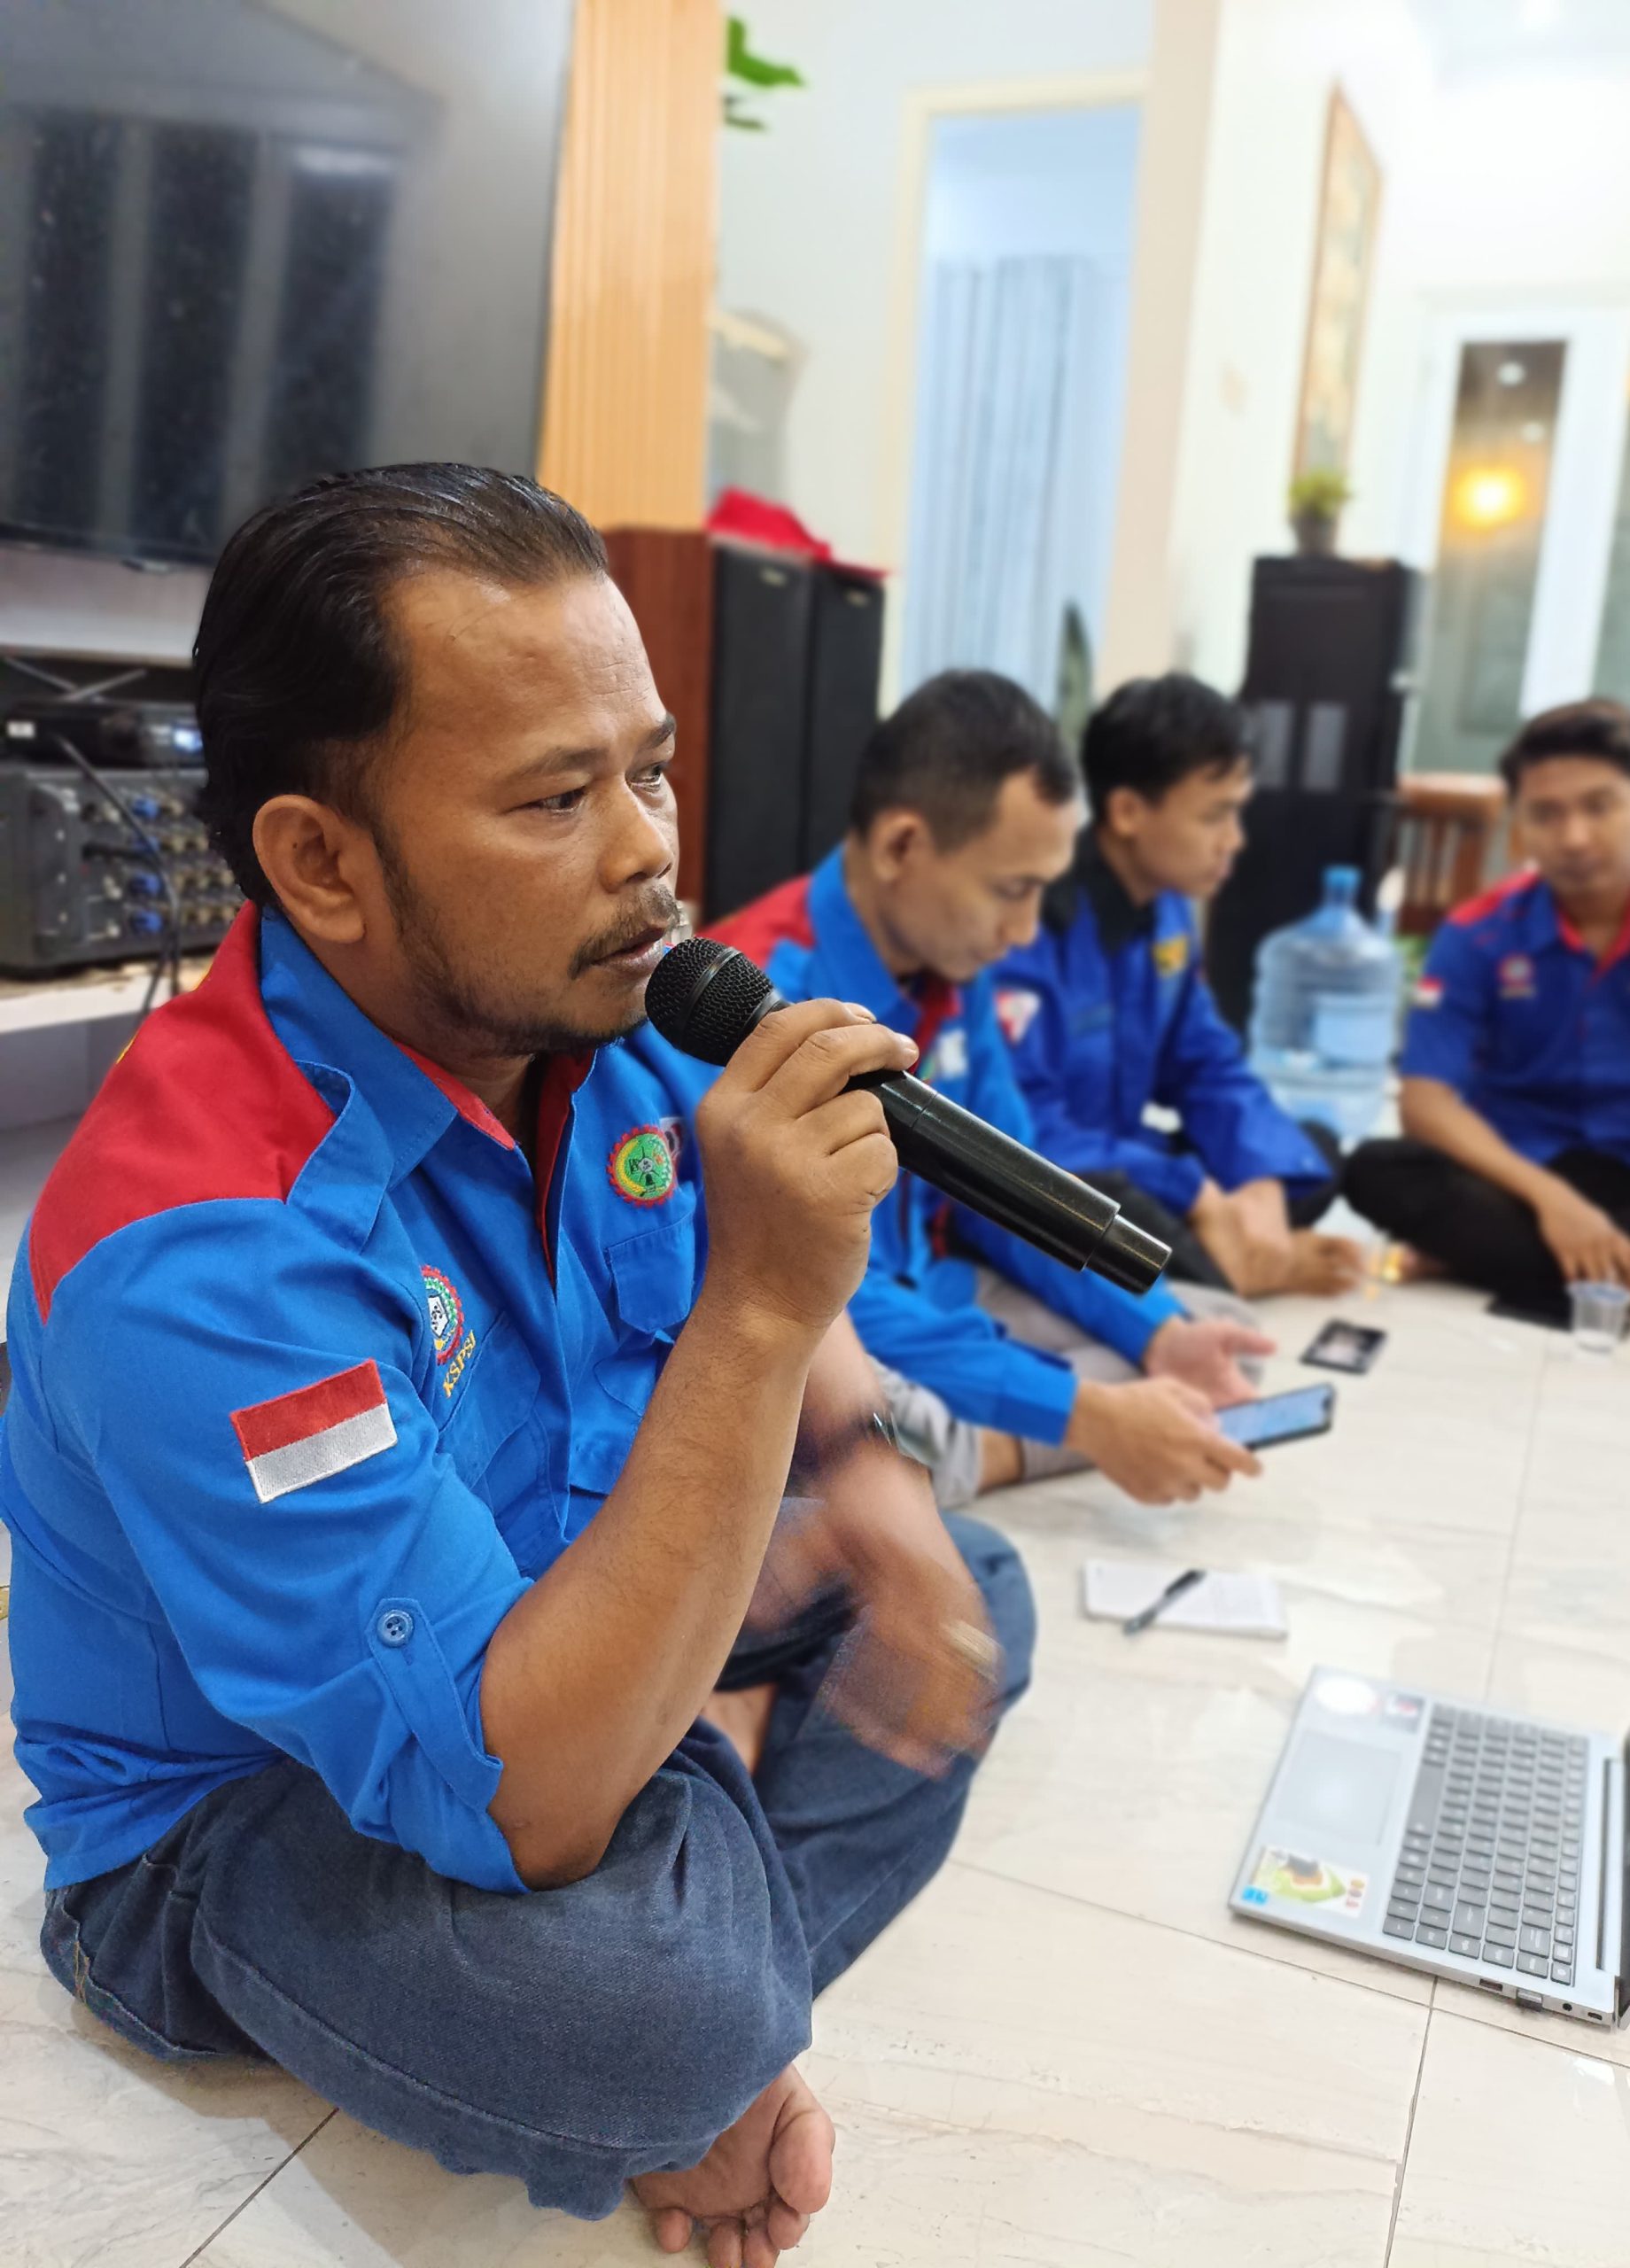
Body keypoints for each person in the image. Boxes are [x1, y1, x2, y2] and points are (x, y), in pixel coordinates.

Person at [0, 465, 1038, 2267]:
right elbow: (526, 1801)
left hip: (542, 1614)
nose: (647, 852)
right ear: (322, 861)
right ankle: (707, 2025)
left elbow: (789, 1293)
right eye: (558, 798)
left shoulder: (589, 1011)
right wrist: (757, 1314)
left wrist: (865, 1464)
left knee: (964, 1590)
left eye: (650, 770)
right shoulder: (203, 1250)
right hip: (238, 1810)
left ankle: (711, 1993)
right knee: (644, 2016)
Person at [695, 670, 1271, 1507]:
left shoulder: (954, 968)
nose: (1026, 930)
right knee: (851, 1442)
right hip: (840, 1329)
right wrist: (1083, 1414)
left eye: (1042, 890)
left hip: (933, 1292)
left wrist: (1159, 1338)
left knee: (1211, 1343)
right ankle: (994, 1450)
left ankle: (1002, 1439)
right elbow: (817, 1299)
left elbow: (1018, 1202)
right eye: (1012, 890)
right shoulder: (760, 1007)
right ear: (901, 847)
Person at [996, 673, 1362, 1298]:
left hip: (1127, 1155)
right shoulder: (1033, 921)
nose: (1234, 840)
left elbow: (1205, 1063)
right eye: (1215, 815)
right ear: (1128, 812)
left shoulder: (1168, 911)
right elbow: (1020, 1129)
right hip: (1064, 1171)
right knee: (1109, 1215)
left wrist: (1261, 1183)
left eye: (1237, 812)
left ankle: (1230, 1257)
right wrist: (1192, 1191)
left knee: (1311, 1153)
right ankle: (1250, 1267)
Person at [1347, 699, 1630, 1324]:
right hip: (1523, 1177)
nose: (1575, 837)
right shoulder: (1478, 933)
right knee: (1377, 1171)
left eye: (1599, 806)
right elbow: (1424, 1102)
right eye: (1546, 814)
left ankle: (1520, 1268)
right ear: (1519, 823)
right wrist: (1553, 1200)